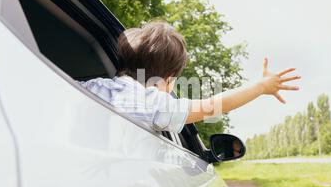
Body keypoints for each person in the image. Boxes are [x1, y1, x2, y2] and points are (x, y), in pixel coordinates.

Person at [80, 21, 301, 133]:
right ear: (167, 79)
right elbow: (214, 105)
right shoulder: (153, 104)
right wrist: (261, 87)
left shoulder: (92, 86)